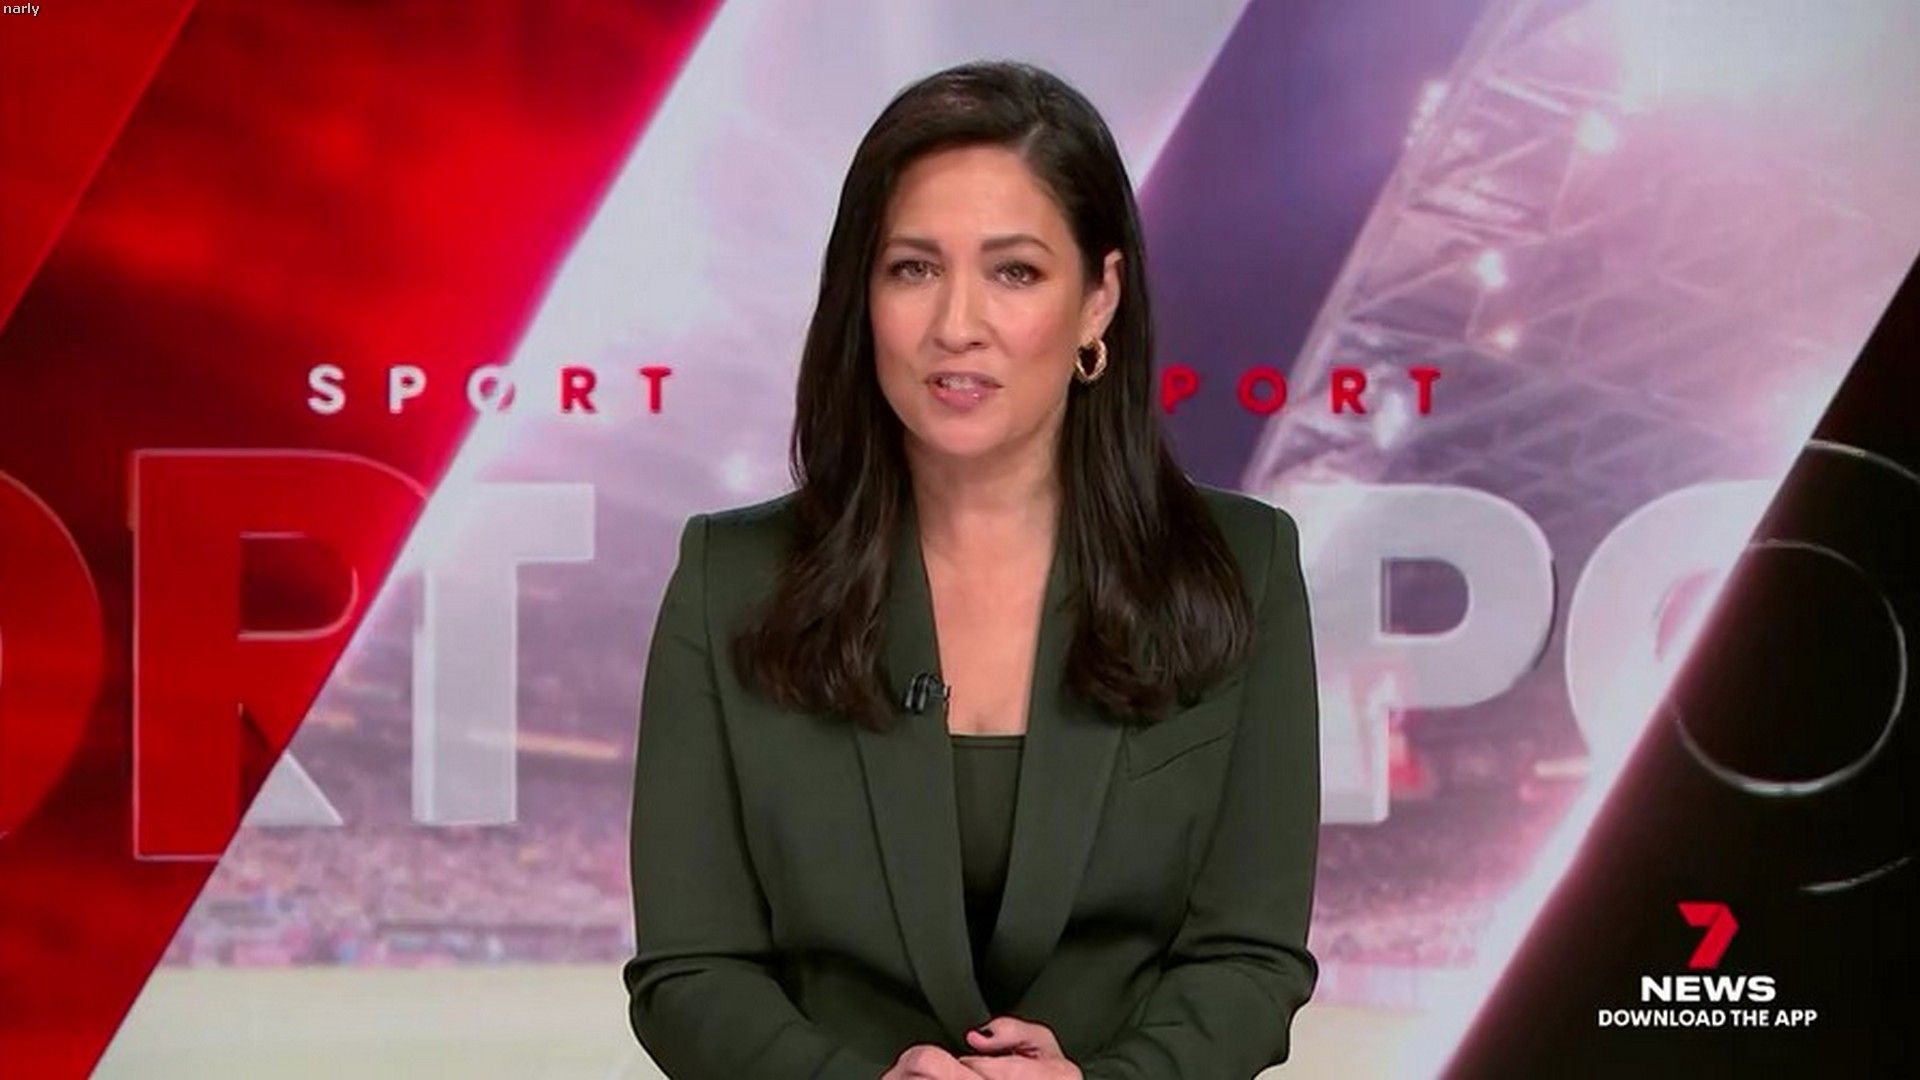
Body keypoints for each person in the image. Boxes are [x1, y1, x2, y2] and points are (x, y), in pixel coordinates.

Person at [624, 60, 1320, 1079]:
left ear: (1099, 300)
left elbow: (1249, 959)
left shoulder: (1242, 566)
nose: (957, 324)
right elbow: (692, 969)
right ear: (862, 296)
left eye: (1015, 273)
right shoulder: (727, 577)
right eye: (913, 268)